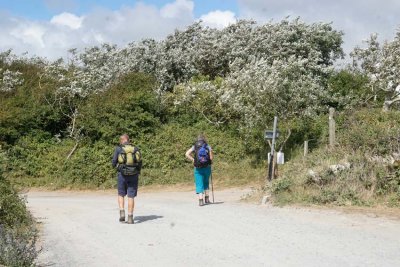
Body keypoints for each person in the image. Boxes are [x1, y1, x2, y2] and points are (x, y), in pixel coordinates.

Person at [112, 134, 142, 224]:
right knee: (131, 196)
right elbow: (140, 162)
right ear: (128, 140)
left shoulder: (118, 149)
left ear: (122, 140)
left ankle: (122, 212)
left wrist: (115, 167)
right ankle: (130, 217)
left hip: (122, 175)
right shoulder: (135, 148)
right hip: (134, 175)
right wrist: (138, 171)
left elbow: (114, 161)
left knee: (121, 194)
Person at [185, 134, 214, 206]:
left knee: (199, 183)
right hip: (207, 167)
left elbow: (187, 154)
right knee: (206, 182)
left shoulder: (195, 146)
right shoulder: (207, 146)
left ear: (197, 139)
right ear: (204, 139)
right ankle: (207, 199)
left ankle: (201, 201)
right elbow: (211, 158)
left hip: (197, 168)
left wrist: (193, 159)